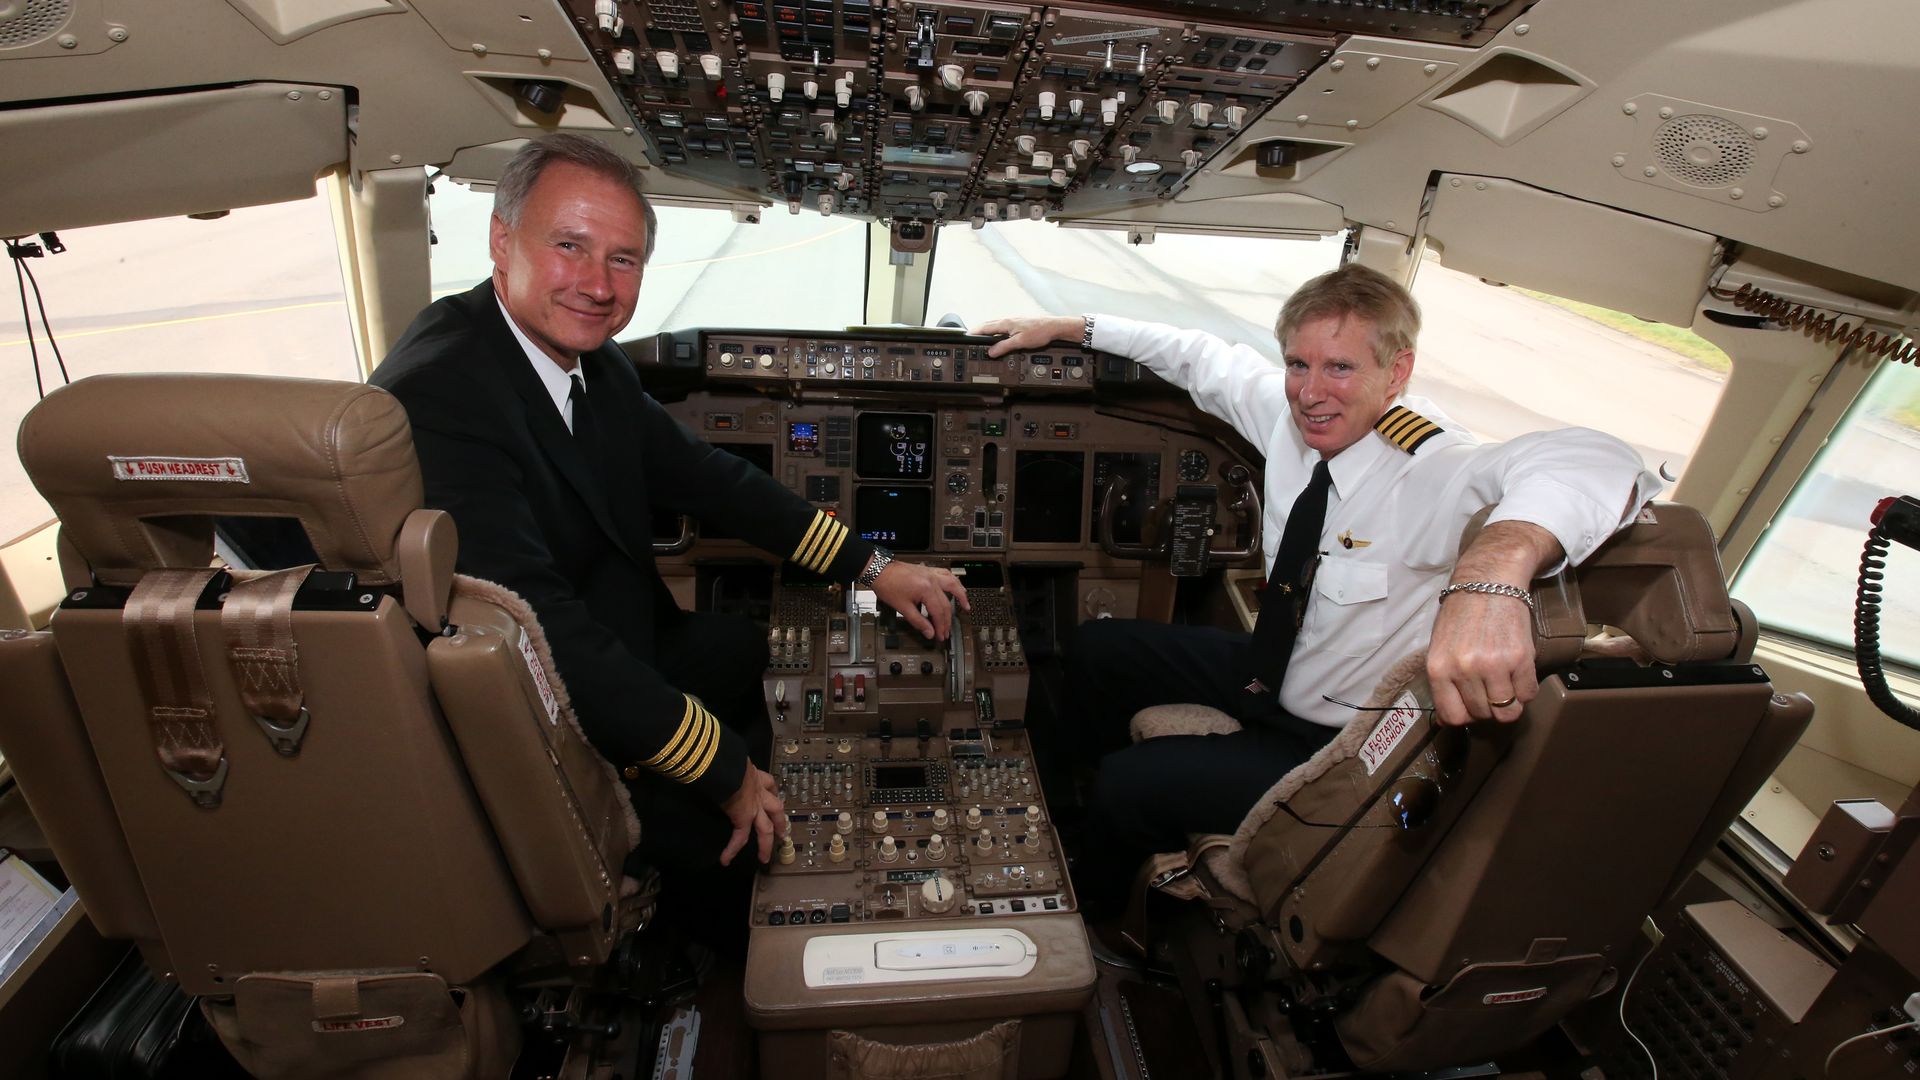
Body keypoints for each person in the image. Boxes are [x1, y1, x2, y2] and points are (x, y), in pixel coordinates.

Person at [370, 135, 967, 888]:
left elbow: (712, 479)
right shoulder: (441, 395)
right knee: (739, 856)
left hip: (620, 635)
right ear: (500, 238)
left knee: (754, 656)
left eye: (623, 260)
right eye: (570, 246)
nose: (597, 284)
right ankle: (691, 938)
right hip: (541, 709)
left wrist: (876, 569)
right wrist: (725, 772)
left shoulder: (584, 358)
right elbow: (541, 629)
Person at [978, 265, 1660, 910]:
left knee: (1133, 789)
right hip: (1273, 670)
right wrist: (1073, 328)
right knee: (1099, 650)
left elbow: (1598, 459)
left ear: (1398, 371)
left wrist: (1492, 573)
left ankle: (1095, 910)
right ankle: (1065, 797)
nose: (1311, 391)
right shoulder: (1291, 423)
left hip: (1331, 737)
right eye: (1299, 364)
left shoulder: (1432, 469)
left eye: (1340, 367)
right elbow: (1197, 356)